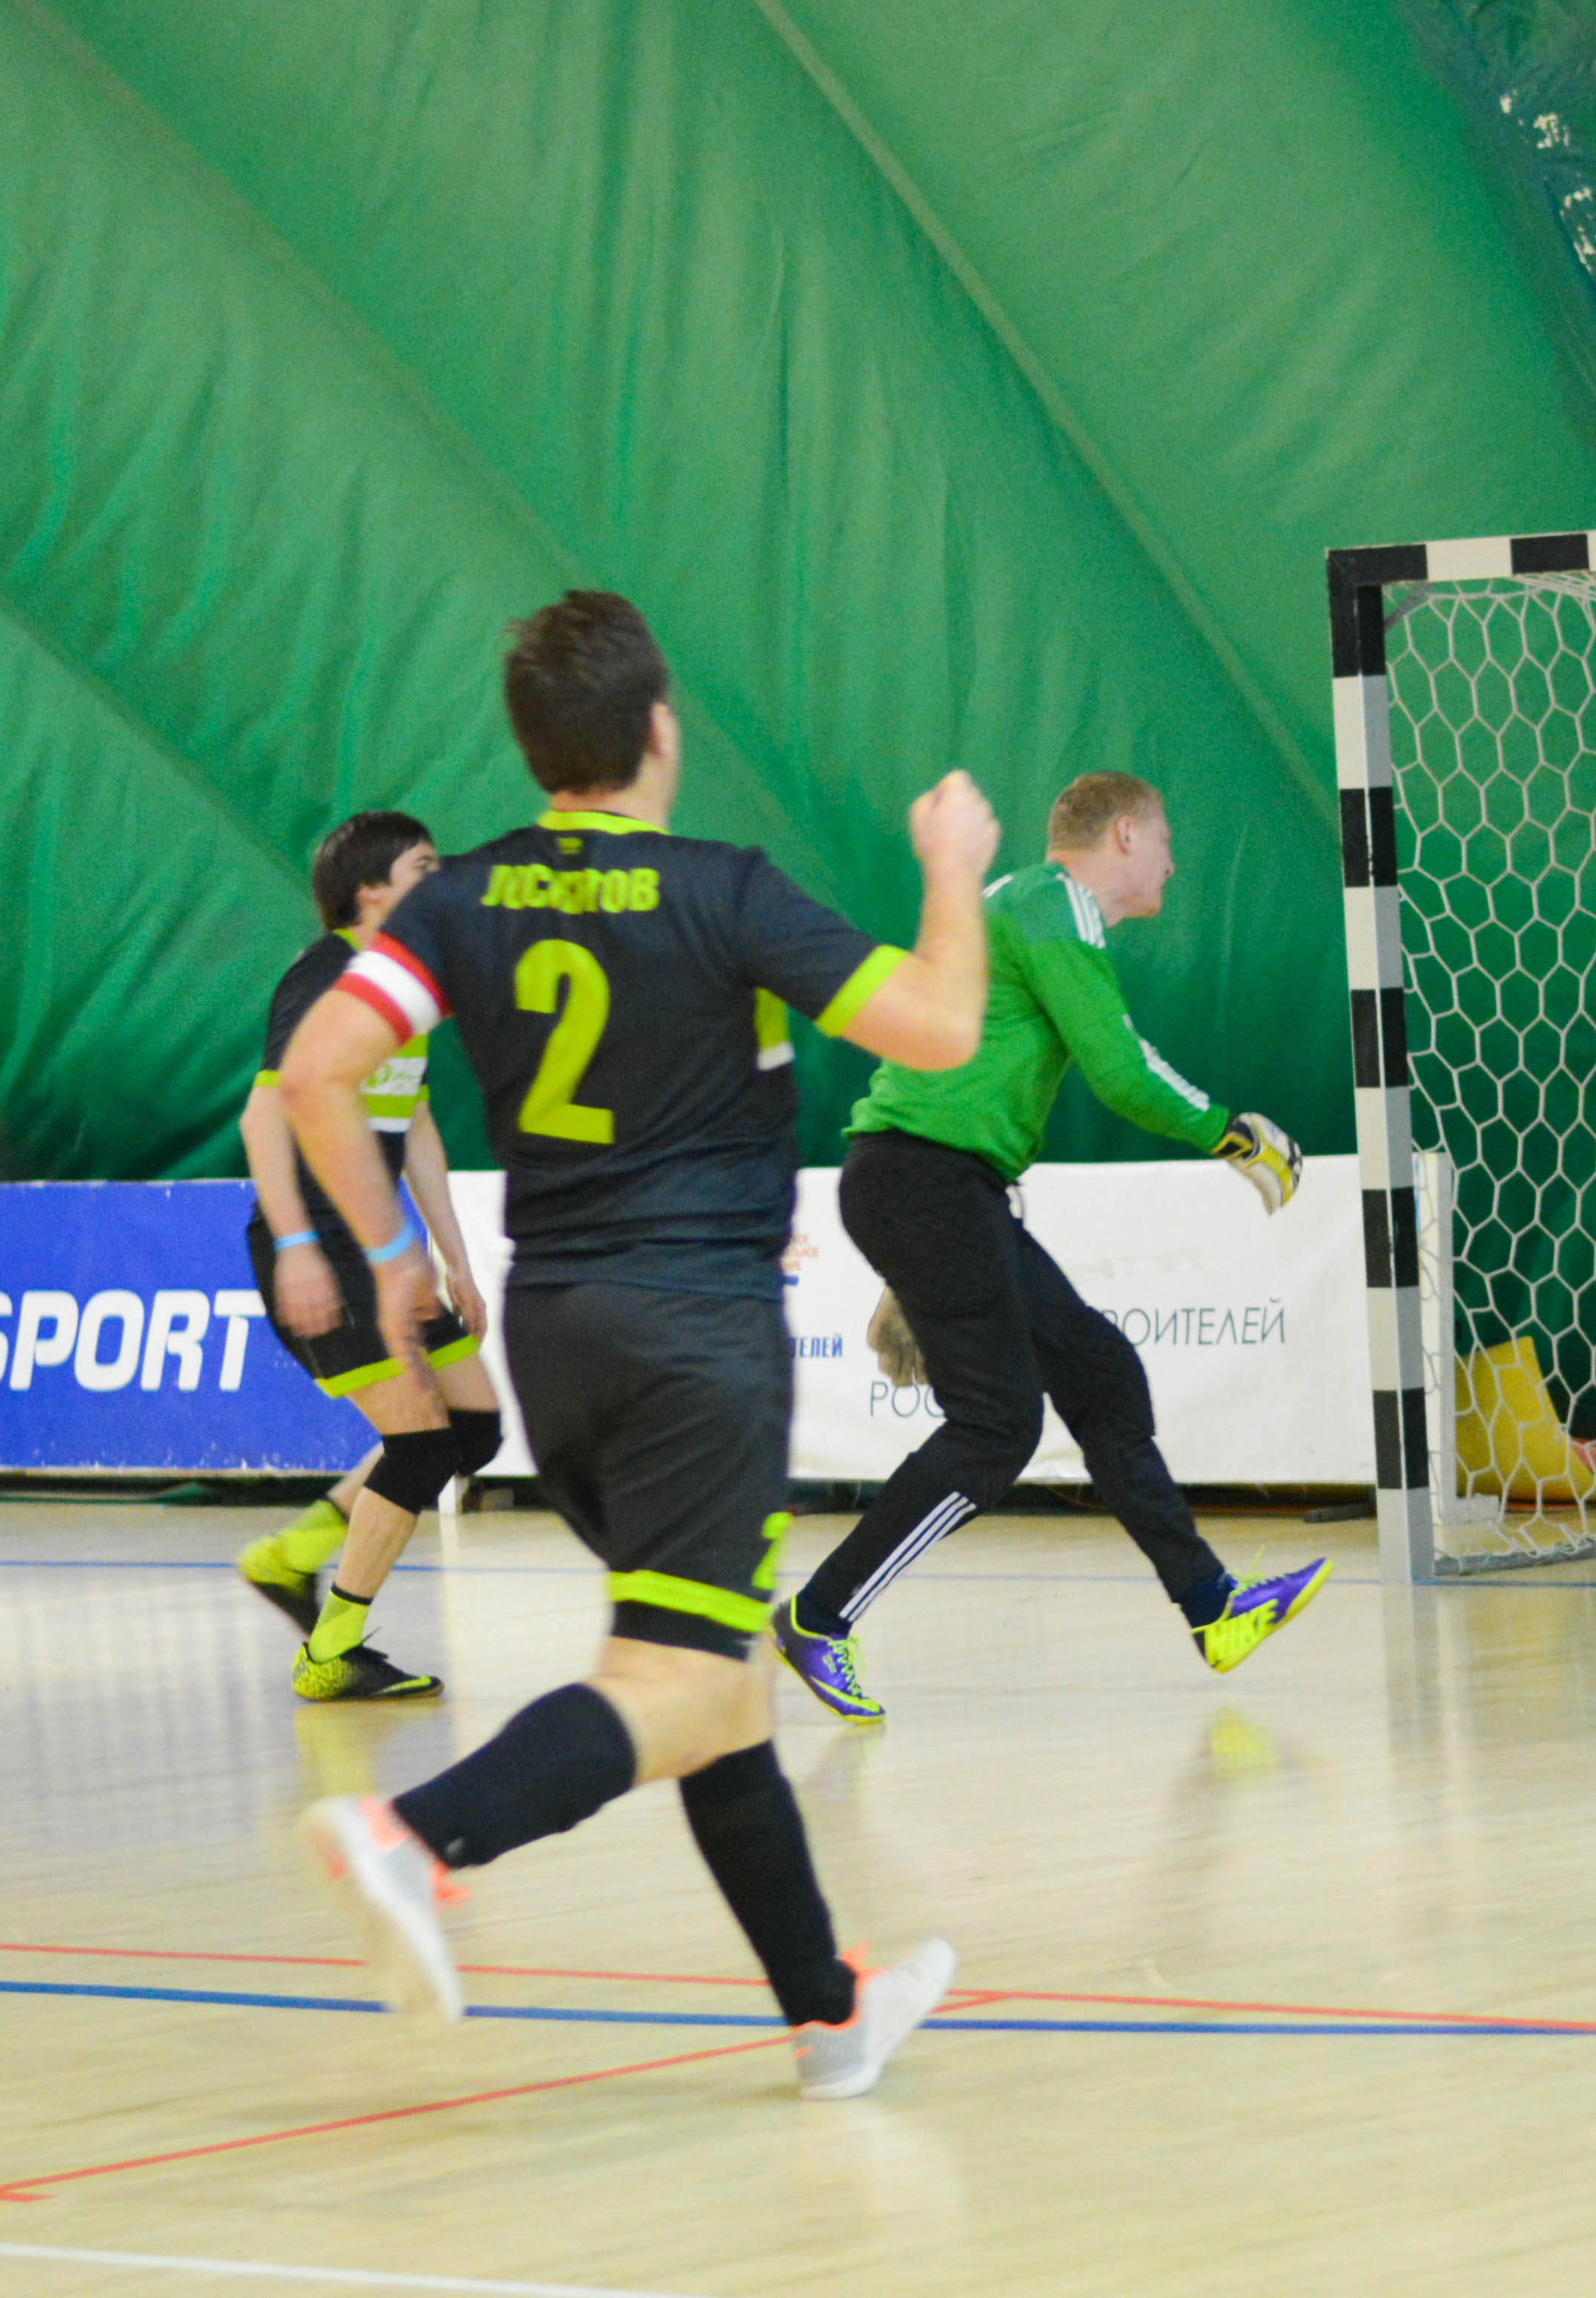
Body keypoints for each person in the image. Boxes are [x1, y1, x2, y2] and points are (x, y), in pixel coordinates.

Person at [277, 590, 999, 2100]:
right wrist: (951, 868)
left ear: (538, 747)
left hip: (559, 1341)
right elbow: (940, 1024)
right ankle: (416, 1834)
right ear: (660, 728)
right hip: (695, 1341)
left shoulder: (461, 899)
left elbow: (319, 1068)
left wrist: (395, 1259)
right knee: (671, 1672)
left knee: (712, 1676)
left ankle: (827, 2013)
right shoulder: (723, 891)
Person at [769, 771, 1324, 1723]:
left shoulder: (1020, 903)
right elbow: (1120, 1068)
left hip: (939, 1187)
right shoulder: (1049, 901)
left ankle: (1213, 1606)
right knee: (996, 1428)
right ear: (1122, 836)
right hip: (925, 1183)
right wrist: (1231, 1133)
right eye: (1164, 840)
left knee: (1098, 1372)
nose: (1172, 862)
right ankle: (819, 1617)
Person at [235, 812, 506, 1701]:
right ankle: (332, 1649)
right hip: (320, 1242)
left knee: (474, 1429)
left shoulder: (406, 982)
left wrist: (455, 1257)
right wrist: (297, 1248)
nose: (441, 876)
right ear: (369, 890)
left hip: (379, 1243)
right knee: (420, 1446)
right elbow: (264, 1116)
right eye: (423, 865)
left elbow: (413, 1122)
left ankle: (293, 1554)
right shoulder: (327, 975)